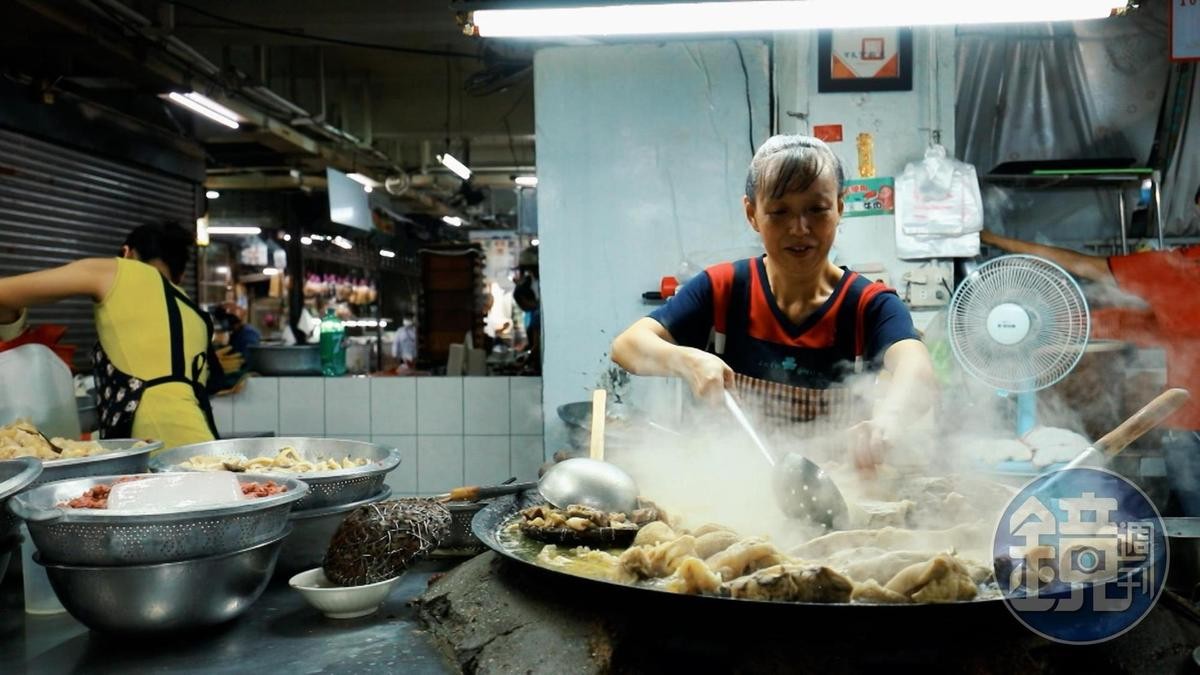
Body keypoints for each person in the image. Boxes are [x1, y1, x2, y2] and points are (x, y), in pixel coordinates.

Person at [611, 134, 935, 472]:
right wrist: (684, 360)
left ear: (839, 208)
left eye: (817, 210)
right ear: (752, 213)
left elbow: (917, 370)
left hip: (838, 499)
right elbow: (627, 346)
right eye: (779, 212)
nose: (799, 229)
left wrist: (888, 422)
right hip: (726, 491)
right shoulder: (722, 289)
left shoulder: (869, 306)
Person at [981, 221, 1200, 516]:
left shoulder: (1174, 266)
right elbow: (1141, 323)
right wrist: (1063, 326)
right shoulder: (1175, 268)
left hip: (1187, 430)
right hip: (1185, 428)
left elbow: (1082, 265)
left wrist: (991, 238)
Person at [0, 221, 218, 449]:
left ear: (127, 253)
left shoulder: (122, 270)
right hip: (198, 438)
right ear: (181, 274)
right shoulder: (194, 313)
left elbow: (4, 293)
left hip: (155, 437)